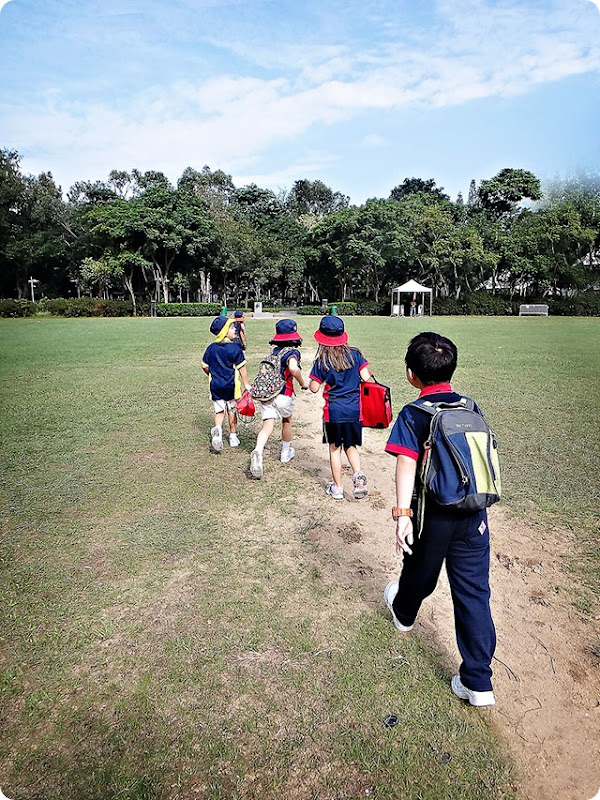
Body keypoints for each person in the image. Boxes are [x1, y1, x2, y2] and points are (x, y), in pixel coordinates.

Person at [383, 331, 497, 707]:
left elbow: (406, 464)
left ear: (411, 374)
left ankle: (403, 614)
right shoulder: (470, 406)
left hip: (432, 516)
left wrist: (402, 515)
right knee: (474, 593)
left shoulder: (414, 414)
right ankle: (478, 683)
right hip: (475, 513)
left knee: (420, 573)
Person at [309, 316, 372, 500]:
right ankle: (358, 476)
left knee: (334, 449)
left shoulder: (322, 361)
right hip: (354, 410)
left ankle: (337, 488)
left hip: (334, 412)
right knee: (350, 446)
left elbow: (314, 388)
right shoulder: (355, 354)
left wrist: (313, 382)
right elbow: (366, 377)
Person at [249, 319, 309, 479]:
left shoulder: (273, 353)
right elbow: (293, 368)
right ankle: (285, 452)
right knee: (286, 421)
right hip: (284, 394)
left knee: (267, 426)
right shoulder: (292, 353)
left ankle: (258, 450)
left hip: (268, 395)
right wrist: (302, 383)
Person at [202, 315, 251, 452]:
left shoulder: (211, 348)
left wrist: (211, 374)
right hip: (231, 387)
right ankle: (233, 436)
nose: (234, 329)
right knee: (232, 411)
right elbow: (242, 368)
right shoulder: (235, 349)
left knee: (219, 411)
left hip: (215, 385)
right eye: (231, 327)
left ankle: (218, 430)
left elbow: (204, 366)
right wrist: (246, 384)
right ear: (224, 331)